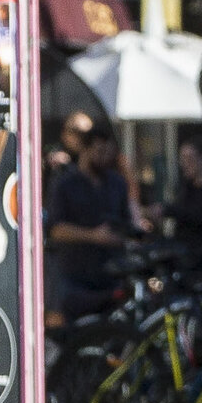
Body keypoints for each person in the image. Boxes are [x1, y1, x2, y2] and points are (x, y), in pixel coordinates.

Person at [44, 118, 136, 319]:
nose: (105, 158)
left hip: (111, 277)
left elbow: (127, 223)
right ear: (85, 150)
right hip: (75, 278)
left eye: (108, 152)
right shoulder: (65, 184)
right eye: (99, 152)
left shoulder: (116, 183)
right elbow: (55, 229)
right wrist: (93, 236)